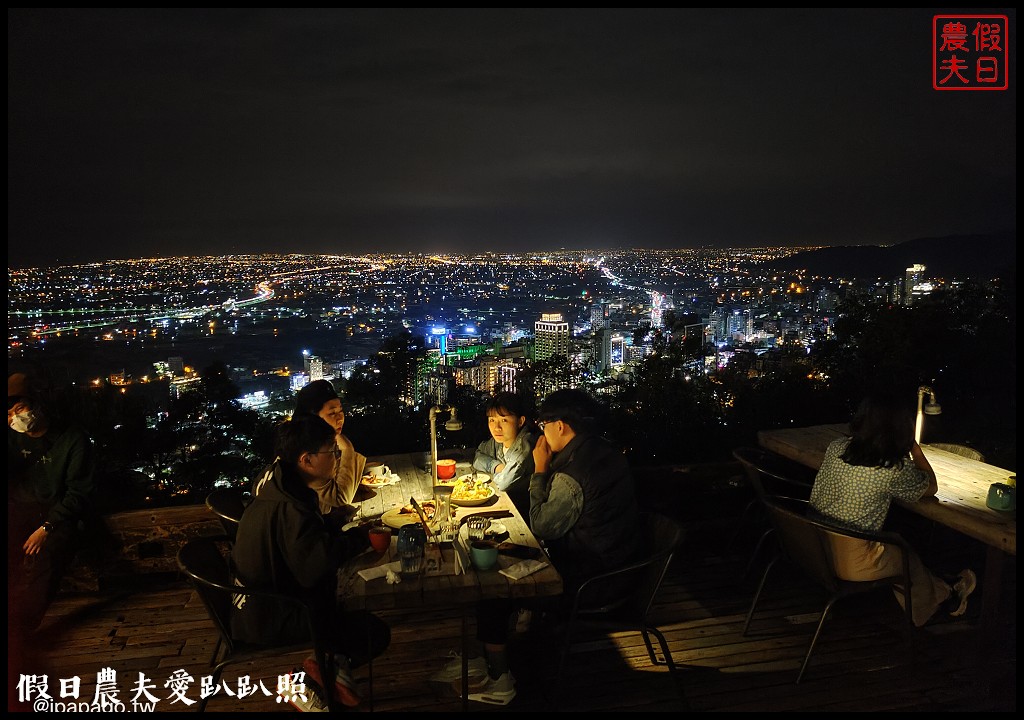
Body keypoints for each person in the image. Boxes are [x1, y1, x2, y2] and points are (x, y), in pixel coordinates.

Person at [432, 388, 642, 705]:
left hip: (593, 580)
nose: (541, 435)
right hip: (614, 564)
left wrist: (541, 468)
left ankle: (500, 679)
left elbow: (543, 524)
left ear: (560, 425)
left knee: (493, 586)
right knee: (491, 560)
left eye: (544, 427)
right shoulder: (598, 451)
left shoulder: (574, 472)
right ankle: (484, 654)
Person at [231, 415, 390, 710]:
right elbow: (315, 567)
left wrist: (335, 519)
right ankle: (310, 682)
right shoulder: (292, 506)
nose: (338, 458)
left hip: (252, 605)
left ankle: (327, 678)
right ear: (306, 459)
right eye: (332, 451)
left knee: (349, 613)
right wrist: (362, 538)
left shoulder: (279, 483)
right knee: (372, 632)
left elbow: (302, 543)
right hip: (274, 614)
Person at [809, 392, 976, 627]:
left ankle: (943, 586)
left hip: (816, 546)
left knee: (899, 541)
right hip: (852, 562)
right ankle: (941, 601)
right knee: (905, 554)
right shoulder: (891, 467)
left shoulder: (836, 447)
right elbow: (931, 486)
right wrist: (915, 449)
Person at [8, 372, 97, 635]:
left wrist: (47, 527)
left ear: (37, 404)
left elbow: (78, 491)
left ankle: (20, 633)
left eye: (20, 409)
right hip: (21, 509)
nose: (15, 418)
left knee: (46, 559)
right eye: (9, 414)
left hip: (58, 515)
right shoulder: (12, 441)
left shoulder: (72, 439)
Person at [256, 379, 366, 528]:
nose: (340, 418)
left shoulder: (292, 443)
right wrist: (347, 449)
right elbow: (341, 497)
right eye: (332, 413)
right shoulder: (307, 456)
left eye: (341, 411)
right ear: (313, 418)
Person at [472, 392, 538, 516]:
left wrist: (496, 472)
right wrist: (496, 467)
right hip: (504, 507)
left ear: (520, 421)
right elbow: (477, 457)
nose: (497, 427)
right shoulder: (499, 441)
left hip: (522, 516)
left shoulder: (524, 449)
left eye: (504, 420)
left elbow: (502, 484)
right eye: (492, 420)